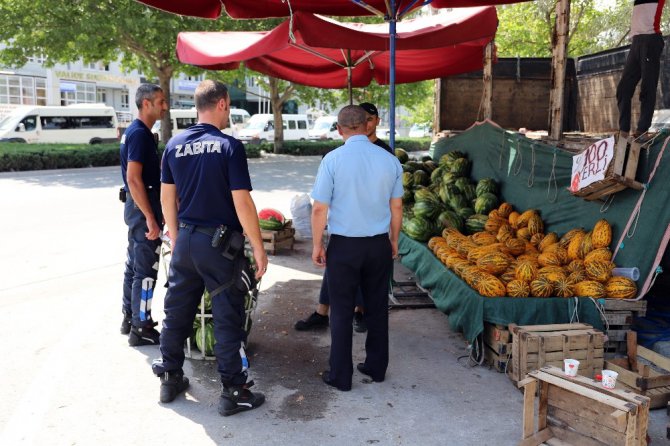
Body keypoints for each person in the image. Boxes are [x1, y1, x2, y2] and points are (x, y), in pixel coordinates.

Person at [151, 80, 269, 415]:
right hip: (218, 245)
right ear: (222, 104)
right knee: (227, 315)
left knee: (177, 312)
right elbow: (242, 201)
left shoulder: (174, 144)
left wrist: (176, 238)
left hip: (185, 240)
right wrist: (258, 247)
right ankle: (234, 391)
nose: (229, 111)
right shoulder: (229, 146)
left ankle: (170, 376)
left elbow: (166, 198)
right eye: (228, 106)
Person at [311, 105, 403, 391]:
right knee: (377, 306)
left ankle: (341, 375)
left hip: (344, 246)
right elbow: (397, 206)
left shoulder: (332, 159)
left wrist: (317, 244)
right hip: (378, 244)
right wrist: (394, 240)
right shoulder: (390, 160)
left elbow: (319, 208)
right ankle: (376, 369)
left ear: (339, 130)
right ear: (367, 125)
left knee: (340, 309)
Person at [294, 102, 393, 333]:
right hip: (346, 231)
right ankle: (323, 312)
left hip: (367, 229)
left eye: (371, 118)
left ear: (376, 121)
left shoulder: (385, 154)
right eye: (363, 118)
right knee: (337, 269)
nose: (366, 123)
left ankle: (359, 312)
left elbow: (392, 201)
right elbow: (322, 204)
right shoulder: (336, 155)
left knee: (356, 274)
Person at [119, 83, 168, 346]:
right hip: (142, 208)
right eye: (160, 101)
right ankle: (142, 326)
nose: (165, 106)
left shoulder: (139, 133)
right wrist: (150, 216)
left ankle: (129, 317)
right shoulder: (139, 134)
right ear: (146, 103)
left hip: (137, 208)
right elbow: (134, 179)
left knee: (134, 266)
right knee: (146, 270)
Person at [616, 0, 666, 141]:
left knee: (647, 88)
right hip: (636, 42)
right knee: (623, 89)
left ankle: (642, 130)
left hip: (651, 40)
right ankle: (624, 131)